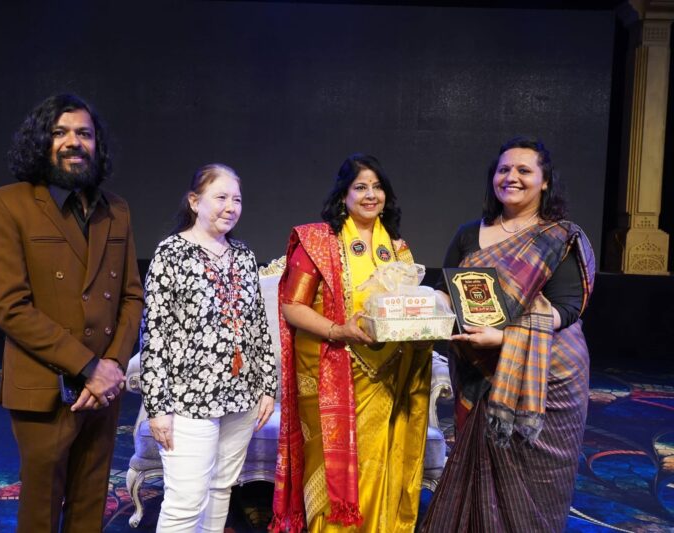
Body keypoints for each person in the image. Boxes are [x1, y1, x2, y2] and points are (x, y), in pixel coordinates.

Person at [0, 94, 144, 532]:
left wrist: (112, 366)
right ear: (41, 141)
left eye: (84, 134)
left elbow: (131, 297)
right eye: (60, 132)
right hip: (45, 385)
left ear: (97, 144)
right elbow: (10, 307)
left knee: (91, 504)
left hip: (103, 389)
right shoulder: (5, 204)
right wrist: (88, 367)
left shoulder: (116, 210)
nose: (74, 142)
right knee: (41, 509)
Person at [421, 137, 596, 532]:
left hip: (547, 374)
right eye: (503, 170)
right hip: (478, 365)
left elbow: (566, 309)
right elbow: (446, 291)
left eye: (523, 170)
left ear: (545, 181)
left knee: (536, 479)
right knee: (477, 468)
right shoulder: (470, 234)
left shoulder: (559, 237)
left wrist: (504, 339)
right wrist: (414, 304)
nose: (511, 177)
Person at [271, 154, 433, 533]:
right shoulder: (316, 241)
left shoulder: (398, 249)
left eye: (377, 187)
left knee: (380, 463)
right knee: (332, 469)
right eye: (360, 187)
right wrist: (338, 330)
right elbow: (292, 306)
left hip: (388, 377)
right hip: (331, 373)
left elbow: (408, 306)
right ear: (343, 195)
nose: (370, 195)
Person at [140, 163, 277, 532]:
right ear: (194, 201)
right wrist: (157, 407)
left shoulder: (243, 255)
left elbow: (257, 326)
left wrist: (267, 386)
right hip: (189, 399)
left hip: (242, 397)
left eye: (237, 199)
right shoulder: (171, 253)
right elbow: (154, 333)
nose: (230, 207)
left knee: (221, 490)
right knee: (184, 503)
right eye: (221, 197)